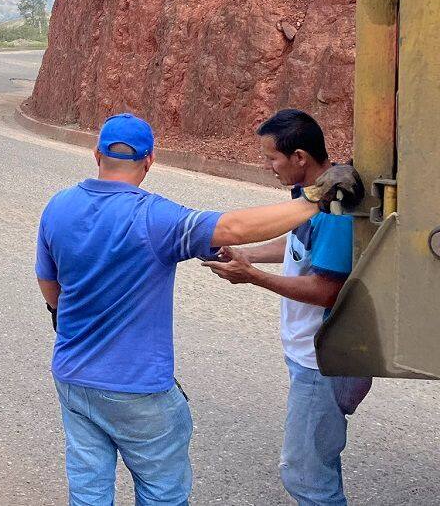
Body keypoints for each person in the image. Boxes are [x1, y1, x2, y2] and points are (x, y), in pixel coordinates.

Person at [35, 113, 362, 506]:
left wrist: (65, 319)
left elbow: (49, 286)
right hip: (138, 388)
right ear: (150, 159)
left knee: (88, 488)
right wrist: (315, 199)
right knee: (162, 491)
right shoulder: (155, 218)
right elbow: (235, 227)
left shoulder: (58, 207)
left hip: (73, 376)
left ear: (96, 154)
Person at [204, 109, 371, 506]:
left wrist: (252, 277)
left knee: (306, 477)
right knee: (319, 464)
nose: (268, 167)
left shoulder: (334, 212)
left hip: (322, 363)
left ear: (299, 157)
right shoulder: (312, 196)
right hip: (311, 357)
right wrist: (248, 255)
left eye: (271, 158)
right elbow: (296, 246)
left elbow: (327, 289)